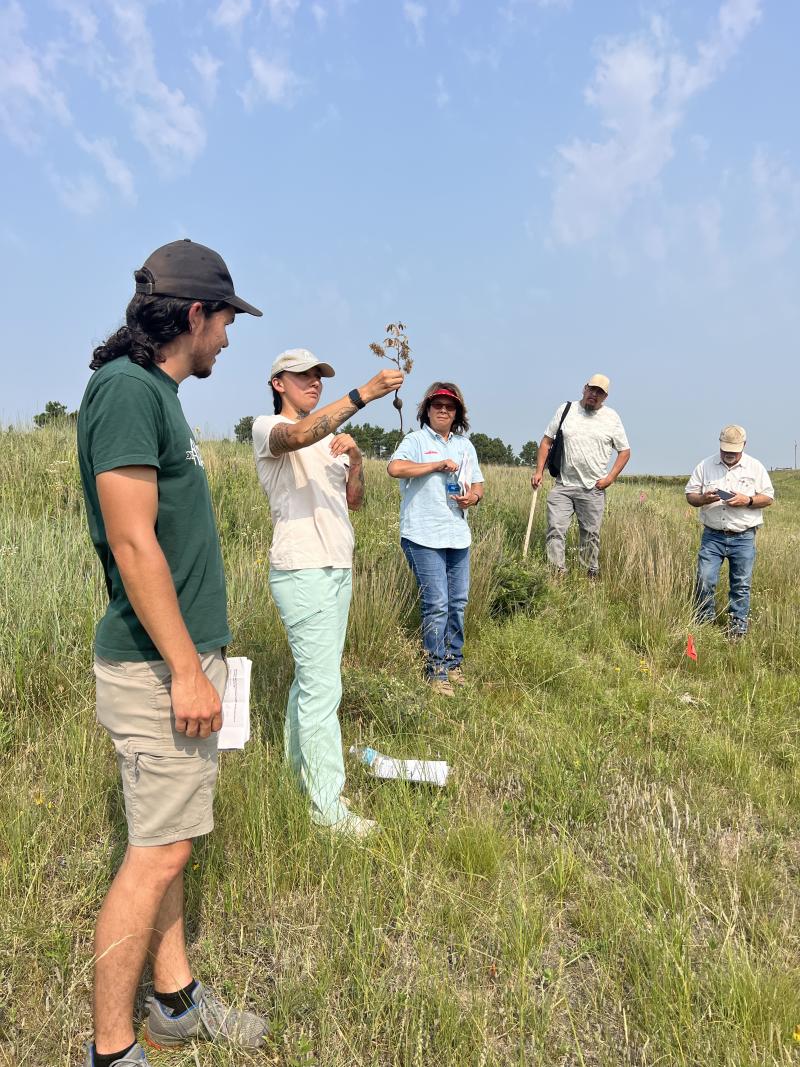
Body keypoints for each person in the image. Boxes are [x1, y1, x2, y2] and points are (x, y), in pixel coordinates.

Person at [77, 240, 268, 1067]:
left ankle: (178, 1000)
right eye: (226, 321)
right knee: (155, 854)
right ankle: (113, 1051)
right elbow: (132, 542)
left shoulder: (154, 390)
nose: (228, 338)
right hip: (158, 668)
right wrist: (188, 668)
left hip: (180, 660)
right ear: (195, 315)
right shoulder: (125, 392)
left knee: (174, 838)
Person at [252, 349, 403, 838]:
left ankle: (298, 781)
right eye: (304, 376)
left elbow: (353, 501)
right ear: (279, 383)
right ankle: (327, 808)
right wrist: (366, 393)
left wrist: (355, 459)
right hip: (303, 568)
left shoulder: (330, 441)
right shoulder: (268, 428)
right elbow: (299, 434)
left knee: (311, 682)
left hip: (337, 566)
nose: (314, 382)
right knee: (323, 690)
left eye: (319, 376)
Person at [387, 382, 484, 697]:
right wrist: (435, 465)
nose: (443, 410)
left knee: (458, 603)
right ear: (426, 410)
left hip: (457, 535)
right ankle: (435, 670)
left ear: (458, 413)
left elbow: (478, 484)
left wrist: (473, 498)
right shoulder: (415, 440)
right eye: (437, 405)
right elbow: (395, 468)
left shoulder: (465, 446)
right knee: (437, 603)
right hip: (422, 535)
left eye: (450, 406)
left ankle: (454, 663)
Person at [532, 374, 630, 579]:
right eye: (592, 389)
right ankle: (557, 572)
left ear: (605, 397)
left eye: (599, 392)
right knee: (556, 528)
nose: (594, 394)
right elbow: (546, 442)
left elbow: (624, 451)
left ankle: (589, 573)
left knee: (590, 534)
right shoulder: (566, 410)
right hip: (563, 484)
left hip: (593, 488)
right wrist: (539, 471)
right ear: (584, 388)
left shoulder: (611, 418)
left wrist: (610, 478)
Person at [685, 424, 774, 637]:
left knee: (741, 584)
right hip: (713, 535)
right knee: (705, 579)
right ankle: (705, 623)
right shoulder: (705, 465)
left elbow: (768, 497)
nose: (729, 455)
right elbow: (690, 495)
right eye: (725, 450)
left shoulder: (755, 467)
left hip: (743, 536)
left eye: (734, 451)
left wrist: (748, 500)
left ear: (744, 445)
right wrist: (703, 498)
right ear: (719, 444)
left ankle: (737, 628)